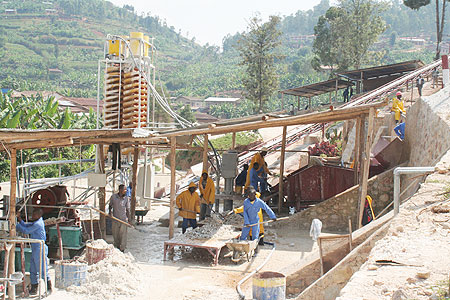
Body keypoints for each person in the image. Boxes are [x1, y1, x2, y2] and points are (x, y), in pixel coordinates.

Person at [16, 208, 52, 295]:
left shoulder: (38, 224)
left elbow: (26, 230)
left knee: (42, 269)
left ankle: (49, 288)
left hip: (40, 247)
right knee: (33, 269)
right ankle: (34, 288)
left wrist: (15, 225)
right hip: (35, 247)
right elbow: (26, 225)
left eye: (34, 214)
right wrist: (19, 219)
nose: (32, 216)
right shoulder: (35, 222)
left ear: (39, 215)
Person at [109, 184, 131, 252]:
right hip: (115, 219)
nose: (126, 191)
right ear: (120, 190)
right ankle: (117, 247)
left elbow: (127, 209)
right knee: (115, 234)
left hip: (123, 220)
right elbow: (110, 206)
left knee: (123, 235)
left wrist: (129, 220)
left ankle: (122, 249)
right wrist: (110, 213)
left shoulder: (126, 198)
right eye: (125, 189)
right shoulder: (113, 197)